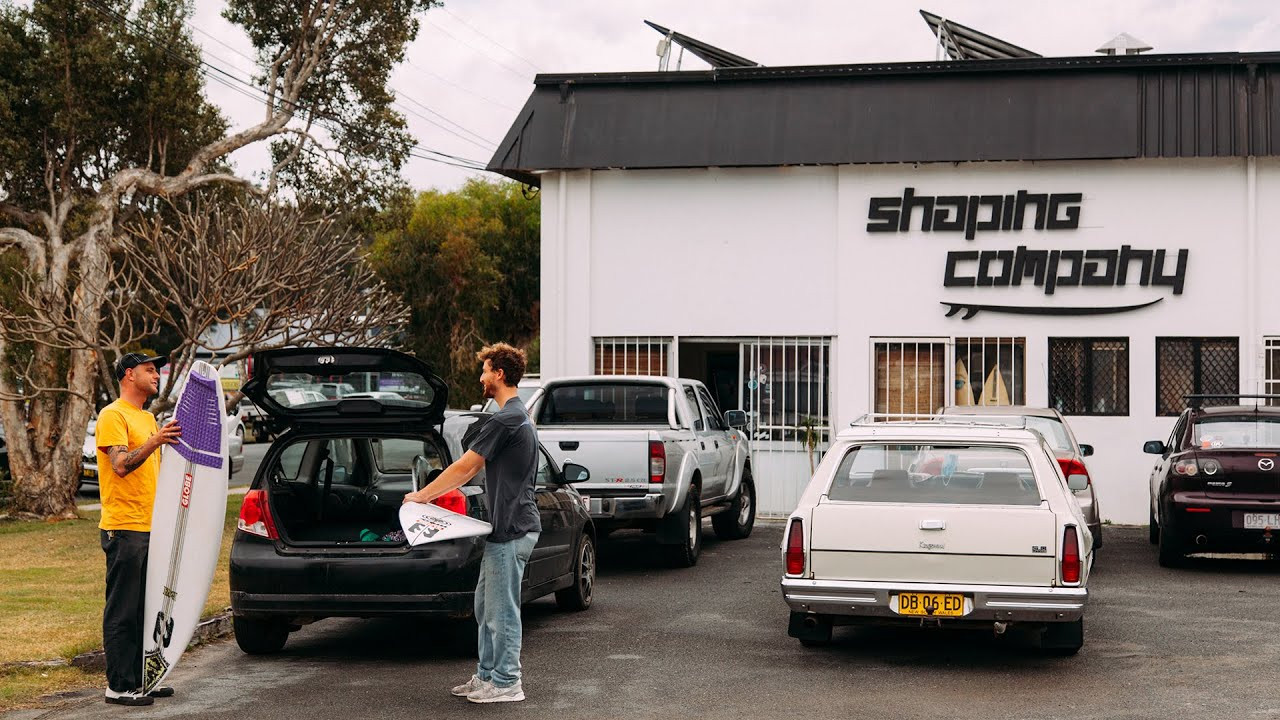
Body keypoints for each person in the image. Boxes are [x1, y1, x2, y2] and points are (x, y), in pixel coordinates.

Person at [403, 342, 540, 704]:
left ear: (499, 374)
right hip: (505, 527)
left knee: (501, 610)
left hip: (512, 528)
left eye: (485, 370)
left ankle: (508, 681)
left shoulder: (508, 417)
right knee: (485, 605)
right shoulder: (517, 414)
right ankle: (487, 676)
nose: (481, 376)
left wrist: (423, 496)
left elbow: (467, 467)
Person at [95, 352, 182, 706]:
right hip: (124, 527)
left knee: (148, 610)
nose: (156, 375)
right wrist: (155, 441)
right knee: (124, 609)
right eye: (149, 370)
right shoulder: (112, 415)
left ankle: (142, 680)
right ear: (129, 375)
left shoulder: (147, 417)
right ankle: (118, 685)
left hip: (151, 527)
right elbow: (119, 465)